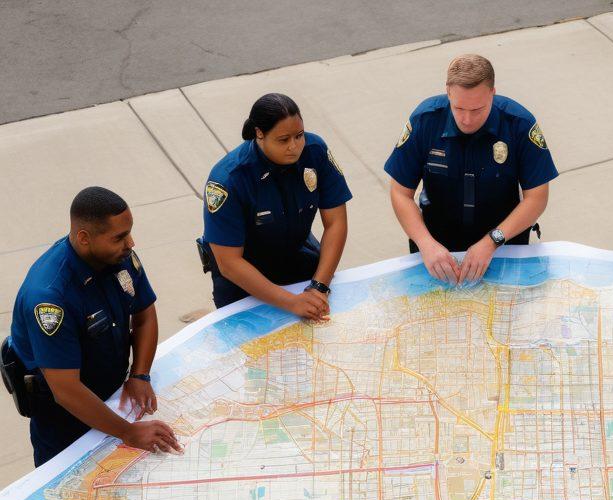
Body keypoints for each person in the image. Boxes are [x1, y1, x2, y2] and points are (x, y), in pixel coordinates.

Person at [4, 186, 181, 466]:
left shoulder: (117, 258)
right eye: (120, 237)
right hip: (65, 423)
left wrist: (140, 375)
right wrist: (129, 432)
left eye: (129, 232)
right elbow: (66, 390)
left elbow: (145, 312)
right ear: (84, 238)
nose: (131, 243)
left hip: (115, 400)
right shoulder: (50, 299)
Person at [384, 54, 558, 285]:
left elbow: (536, 198)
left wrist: (491, 241)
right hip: (437, 250)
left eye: (477, 110)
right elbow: (400, 192)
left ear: (492, 93)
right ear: (448, 92)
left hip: (502, 245)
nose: (466, 119)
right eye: (458, 108)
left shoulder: (519, 124)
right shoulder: (425, 120)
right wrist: (425, 244)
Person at [199, 93, 352, 315]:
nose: (295, 146)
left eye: (299, 136)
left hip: (297, 255)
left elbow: (336, 221)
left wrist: (319, 286)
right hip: (243, 278)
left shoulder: (315, 151)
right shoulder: (228, 180)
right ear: (259, 134)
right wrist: (292, 302)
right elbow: (229, 262)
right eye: (283, 140)